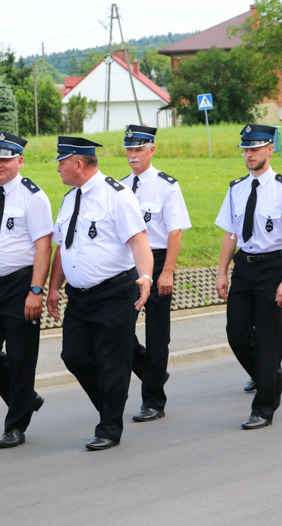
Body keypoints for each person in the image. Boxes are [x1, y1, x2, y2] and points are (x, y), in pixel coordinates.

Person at [46, 136, 153, 450]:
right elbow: (63, 247)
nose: (58, 170)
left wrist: (146, 276)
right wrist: (54, 287)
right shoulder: (70, 199)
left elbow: (139, 241)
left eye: (61, 163)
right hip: (79, 297)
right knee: (74, 356)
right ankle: (109, 407)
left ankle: (109, 426)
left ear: (78, 163)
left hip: (114, 292)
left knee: (113, 361)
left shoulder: (117, 196)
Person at [215, 124, 282, 429]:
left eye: (254, 149)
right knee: (237, 334)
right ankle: (273, 377)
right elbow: (231, 233)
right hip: (245, 266)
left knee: (268, 341)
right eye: (245, 149)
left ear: (270, 149)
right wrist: (222, 271)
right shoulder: (236, 189)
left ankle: (263, 408)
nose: (248, 154)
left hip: (272, 268)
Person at [0, 132, 51, 448]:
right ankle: (25, 397)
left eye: (5, 159)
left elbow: (44, 246)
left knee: (21, 357)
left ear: (19, 161)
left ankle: (16, 425)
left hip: (20, 285)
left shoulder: (34, 197)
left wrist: (36, 290)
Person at [119, 125, 191, 422]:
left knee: (157, 334)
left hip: (159, 260)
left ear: (152, 150)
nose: (133, 155)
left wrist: (167, 273)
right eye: (129, 150)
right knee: (121, 328)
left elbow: (175, 231)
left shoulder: (166, 186)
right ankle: (154, 370)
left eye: (139, 150)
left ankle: (153, 401)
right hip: (130, 264)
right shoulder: (120, 186)